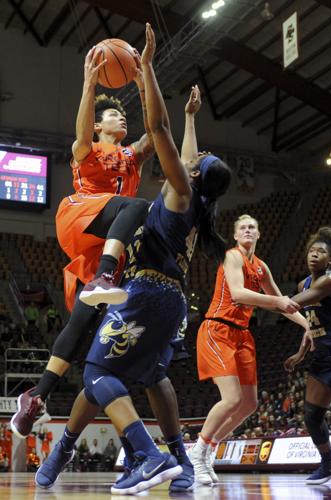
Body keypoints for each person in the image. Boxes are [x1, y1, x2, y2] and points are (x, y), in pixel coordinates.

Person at [34, 23, 232, 495]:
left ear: (193, 174)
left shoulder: (176, 190)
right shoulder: (193, 202)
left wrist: (145, 72)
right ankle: (181, 462)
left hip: (142, 290)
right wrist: (189, 120)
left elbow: (156, 131)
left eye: (196, 157)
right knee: (153, 375)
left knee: (97, 374)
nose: (191, 157)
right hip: (171, 298)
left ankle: (146, 454)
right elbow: (178, 150)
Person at [10, 44, 155, 439]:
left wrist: (144, 85)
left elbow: (156, 130)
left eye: (123, 114)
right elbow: (80, 127)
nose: (120, 117)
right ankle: (105, 276)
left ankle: (36, 397)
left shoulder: (132, 155)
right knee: (137, 205)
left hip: (106, 242)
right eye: (113, 114)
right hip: (80, 216)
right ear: (98, 125)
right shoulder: (87, 147)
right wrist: (89, 84)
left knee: (83, 323)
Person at [189, 213, 310, 485]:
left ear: (258, 234)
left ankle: (209, 447)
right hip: (217, 328)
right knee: (231, 399)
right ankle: (197, 452)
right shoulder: (232, 256)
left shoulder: (262, 267)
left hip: (242, 335)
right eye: (242, 227)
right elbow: (239, 294)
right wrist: (278, 302)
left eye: (252, 227)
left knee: (249, 404)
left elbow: (283, 302)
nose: (247, 230)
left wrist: (307, 326)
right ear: (234, 235)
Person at [284, 227, 331, 485]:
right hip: (323, 354)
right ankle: (328, 463)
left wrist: (259, 300)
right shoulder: (303, 283)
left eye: (321, 252)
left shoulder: (329, 279)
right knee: (312, 415)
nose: (314, 255)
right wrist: (301, 352)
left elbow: (294, 304)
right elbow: (311, 324)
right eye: (312, 251)